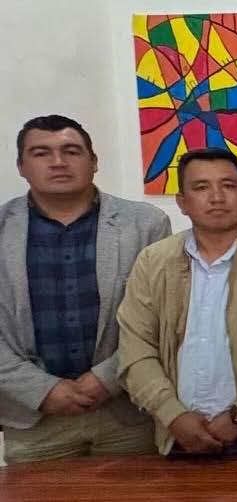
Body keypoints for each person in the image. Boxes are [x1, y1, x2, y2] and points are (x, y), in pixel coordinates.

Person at [0, 115, 170, 463]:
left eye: (71, 151)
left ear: (94, 161)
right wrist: (42, 389)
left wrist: (107, 379)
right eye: (41, 153)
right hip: (34, 418)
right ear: (21, 166)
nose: (58, 162)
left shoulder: (145, 224)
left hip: (127, 411)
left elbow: (162, 318)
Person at [117, 148, 237, 456]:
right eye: (201, 187)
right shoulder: (153, 261)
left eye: (228, 185)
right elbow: (135, 347)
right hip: (176, 435)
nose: (217, 197)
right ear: (182, 202)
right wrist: (172, 415)